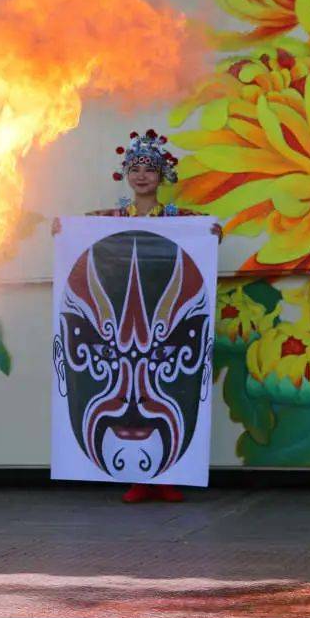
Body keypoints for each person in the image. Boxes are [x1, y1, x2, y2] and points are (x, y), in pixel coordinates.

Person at [52, 129, 221, 504]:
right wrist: (64, 231)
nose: (142, 176)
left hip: (165, 319)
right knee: (126, 389)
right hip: (119, 319)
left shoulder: (179, 218)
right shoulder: (112, 217)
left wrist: (210, 232)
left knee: (164, 390)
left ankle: (167, 478)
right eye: (135, 169)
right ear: (126, 175)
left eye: (149, 169)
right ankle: (138, 479)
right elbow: (81, 234)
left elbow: (207, 235)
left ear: (162, 176)